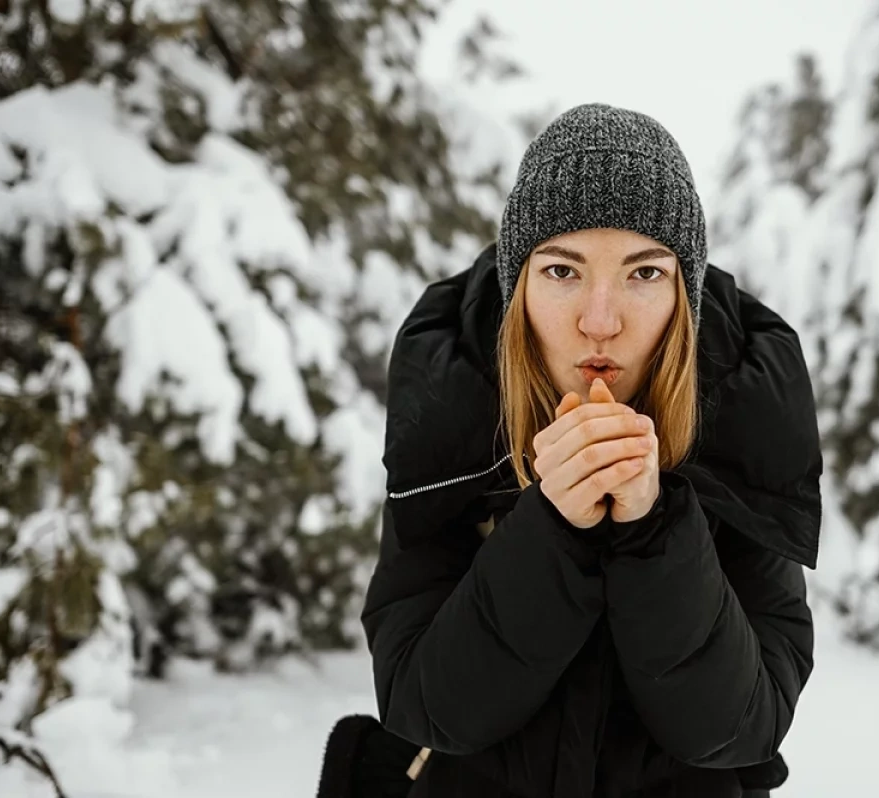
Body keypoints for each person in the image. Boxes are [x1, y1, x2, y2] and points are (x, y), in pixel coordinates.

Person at [343, 103, 822, 798]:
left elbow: (741, 727)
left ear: (683, 294)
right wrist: (551, 529)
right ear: (519, 285)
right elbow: (425, 705)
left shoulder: (744, 418)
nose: (600, 321)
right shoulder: (455, 405)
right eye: (563, 272)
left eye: (644, 274)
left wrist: (655, 526)